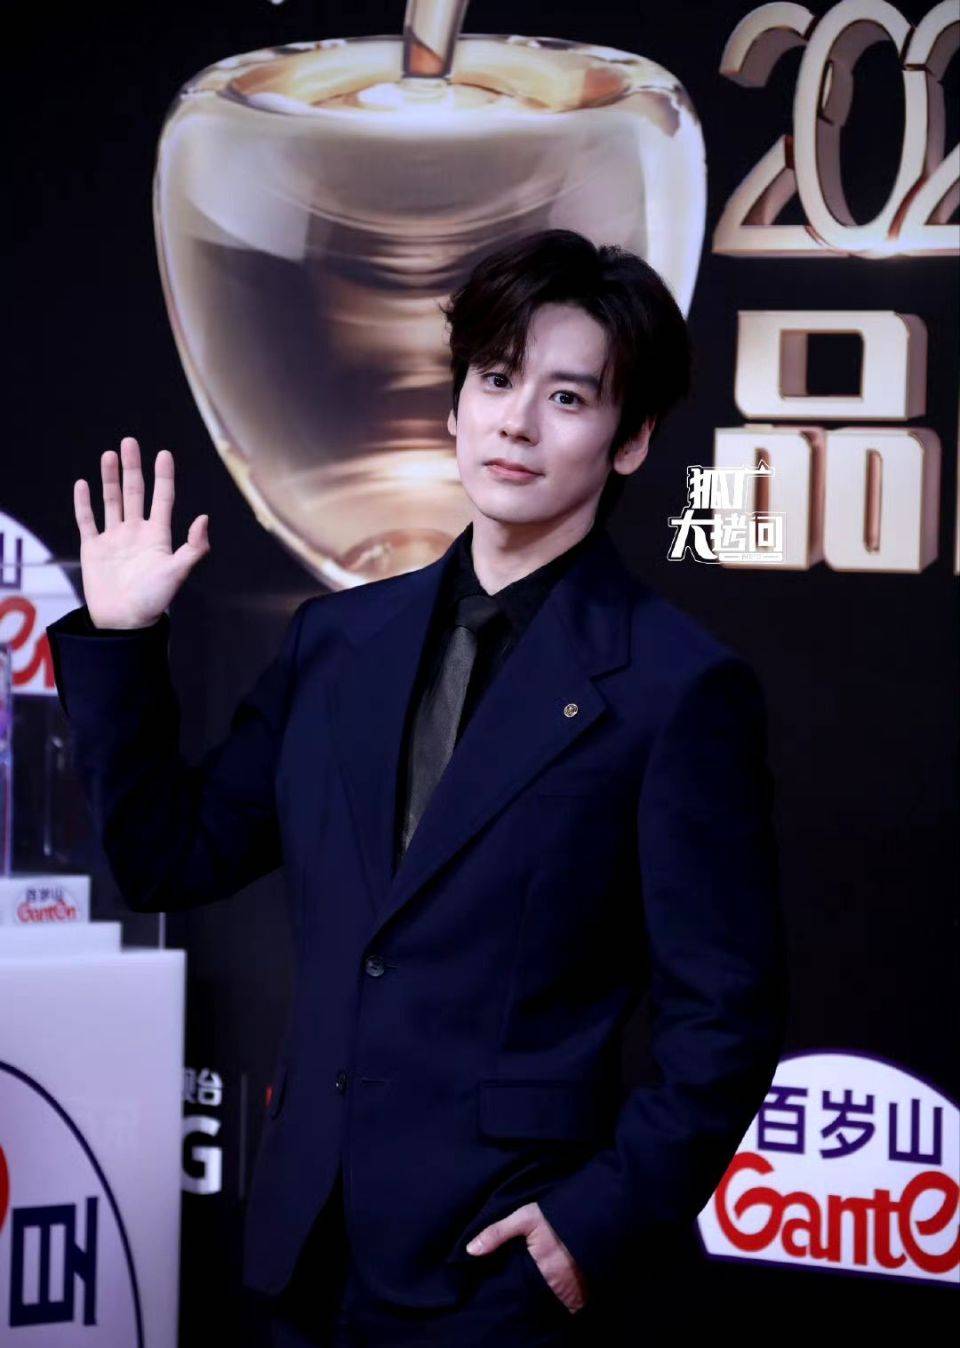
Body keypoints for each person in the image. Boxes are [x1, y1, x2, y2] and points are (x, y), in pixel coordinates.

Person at [46, 229, 790, 1346]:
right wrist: (120, 638)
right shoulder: (335, 643)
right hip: (302, 1251)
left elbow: (725, 1015)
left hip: (498, 1271)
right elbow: (169, 856)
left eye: (567, 396)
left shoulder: (676, 688)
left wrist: (593, 1226)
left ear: (631, 439)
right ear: (454, 405)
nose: (517, 422)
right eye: (495, 379)